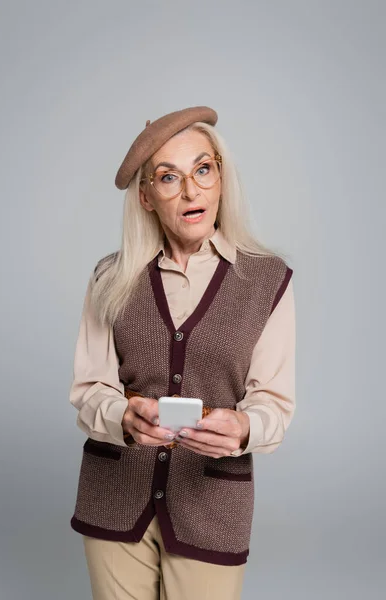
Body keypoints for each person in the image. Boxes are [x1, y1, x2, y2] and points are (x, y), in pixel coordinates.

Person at [69, 106, 296, 600]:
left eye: (203, 169)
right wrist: (124, 418)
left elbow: (273, 404)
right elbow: (89, 390)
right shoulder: (110, 277)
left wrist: (243, 429)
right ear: (147, 196)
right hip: (114, 498)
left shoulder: (266, 281)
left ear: (220, 176)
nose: (191, 190)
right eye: (169, 177)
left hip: (212, 505)